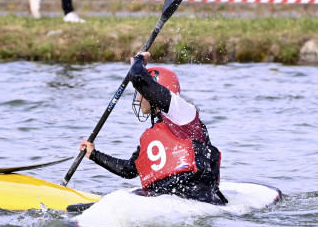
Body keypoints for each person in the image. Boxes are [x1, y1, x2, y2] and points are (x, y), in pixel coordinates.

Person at [79, 52, 227, 204]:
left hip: (195, 197)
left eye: (141, 93)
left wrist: (139, 60)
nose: (138, 98)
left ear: (156, 92)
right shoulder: (158, 132)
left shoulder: (181, 111)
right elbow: (129, 170)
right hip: (169, 198)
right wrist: (94, 154)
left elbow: (137, 77)